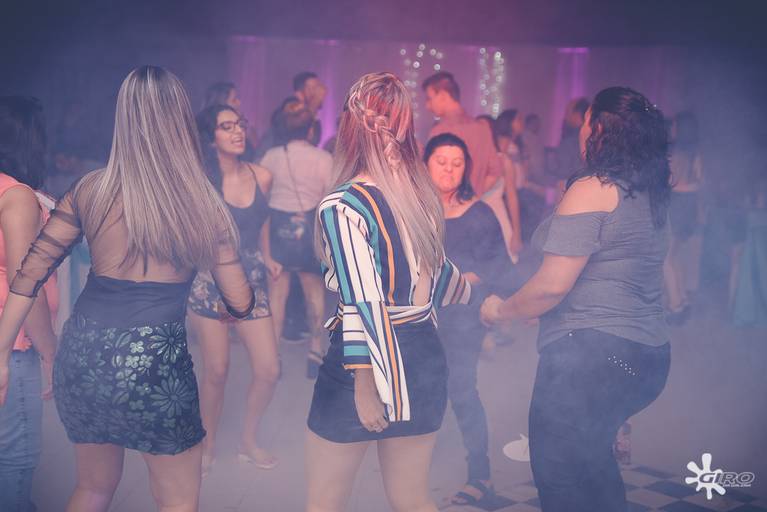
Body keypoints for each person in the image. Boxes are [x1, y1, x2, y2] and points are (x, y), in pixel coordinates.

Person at [0, 66, 256, 512]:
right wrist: (232, 303)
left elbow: (28, 274)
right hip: (155, 361)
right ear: (180, 121)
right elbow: (240, 301)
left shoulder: (90, 189)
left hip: (85, 354)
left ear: (124, 118)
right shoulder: (202, 202)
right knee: (177, 500)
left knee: (93, 489)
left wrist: (2, 352)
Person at [481, 86, 672, 512]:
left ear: (599, 129)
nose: (580, 131)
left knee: (560, 472)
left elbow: (552, 286)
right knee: (593, 461)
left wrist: (501, 311)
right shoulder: (650, 191)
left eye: (585, 122)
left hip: (596, 359)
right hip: (646, 359)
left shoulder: (593, 187)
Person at [305, 72, 471, 512]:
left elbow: (362, 300)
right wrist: (476, 297)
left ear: (349, 127)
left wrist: (366, 384)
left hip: (362, 362)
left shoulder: (343, 205)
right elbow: (437, 274)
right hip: (422, 354)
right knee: (411, 498)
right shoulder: (420, 195)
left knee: (325, 503)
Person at [188, 105, 280, 475]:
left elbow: (262, 220)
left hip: (251, 278)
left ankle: (248, 441)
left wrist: (268, 256)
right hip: (209, 281)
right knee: (217, 370)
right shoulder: (200, 183)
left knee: (269, 369)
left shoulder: (263, 176)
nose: (237, 131)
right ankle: (207, 443)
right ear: (211, 138)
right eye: (226, 127)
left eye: (240, 124)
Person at [424, 132, 511, 507]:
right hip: (418, 317)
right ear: (425, 165)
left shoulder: (479, 214)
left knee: (461, 390)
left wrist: (456, 280)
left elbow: (498, 269)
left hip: (462, 318)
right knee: (422, 389)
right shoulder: (415, 210)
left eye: (457, 163)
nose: (449, 169)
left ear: (466, 169)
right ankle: (412, 469)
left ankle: (480, 475)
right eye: (441, 161)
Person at [0, 96, 59, 512]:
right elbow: (27, 284)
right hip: (13, 343)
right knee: (15, 458)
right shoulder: (16, 195)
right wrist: (51, 353)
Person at [260, 102, 333, 379]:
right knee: (314, 292)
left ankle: (273, 356)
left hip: (277, 227)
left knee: (277, 295)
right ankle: (315, 351)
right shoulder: (323, 158)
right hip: (309, 229)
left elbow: (261, 195)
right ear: (311, 129)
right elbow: (329, 197)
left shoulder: (271, 156)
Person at [664, 111, 703, 324]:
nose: (672, 128)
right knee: (674, 256)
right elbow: (700, 182)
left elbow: (671, 182)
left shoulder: (675, 153)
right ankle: (682, 301)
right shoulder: (695, 152)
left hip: (677, 207)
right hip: (689, 207)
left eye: (674, 125)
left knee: (665, 259)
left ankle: (675, 306)